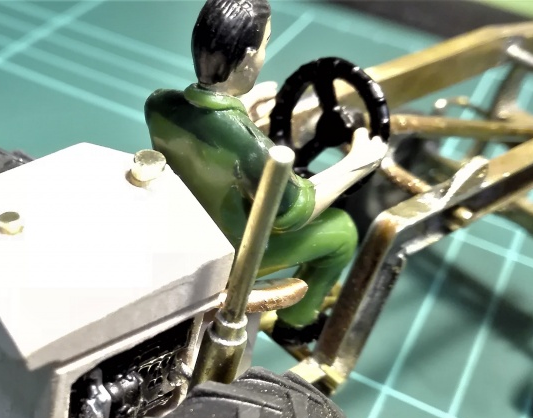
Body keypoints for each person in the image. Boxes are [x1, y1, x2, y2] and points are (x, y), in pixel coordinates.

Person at [145, 0, 388, 344]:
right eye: (265, 45)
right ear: (247, 58)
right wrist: (357, 163)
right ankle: (297, 323)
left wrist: (242, 111)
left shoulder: (158, 105)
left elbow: (209, 131)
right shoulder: (252, 148)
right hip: (230, 252)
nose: (263, 56)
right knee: (343, 231)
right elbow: (293, 212)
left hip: (185, 232)